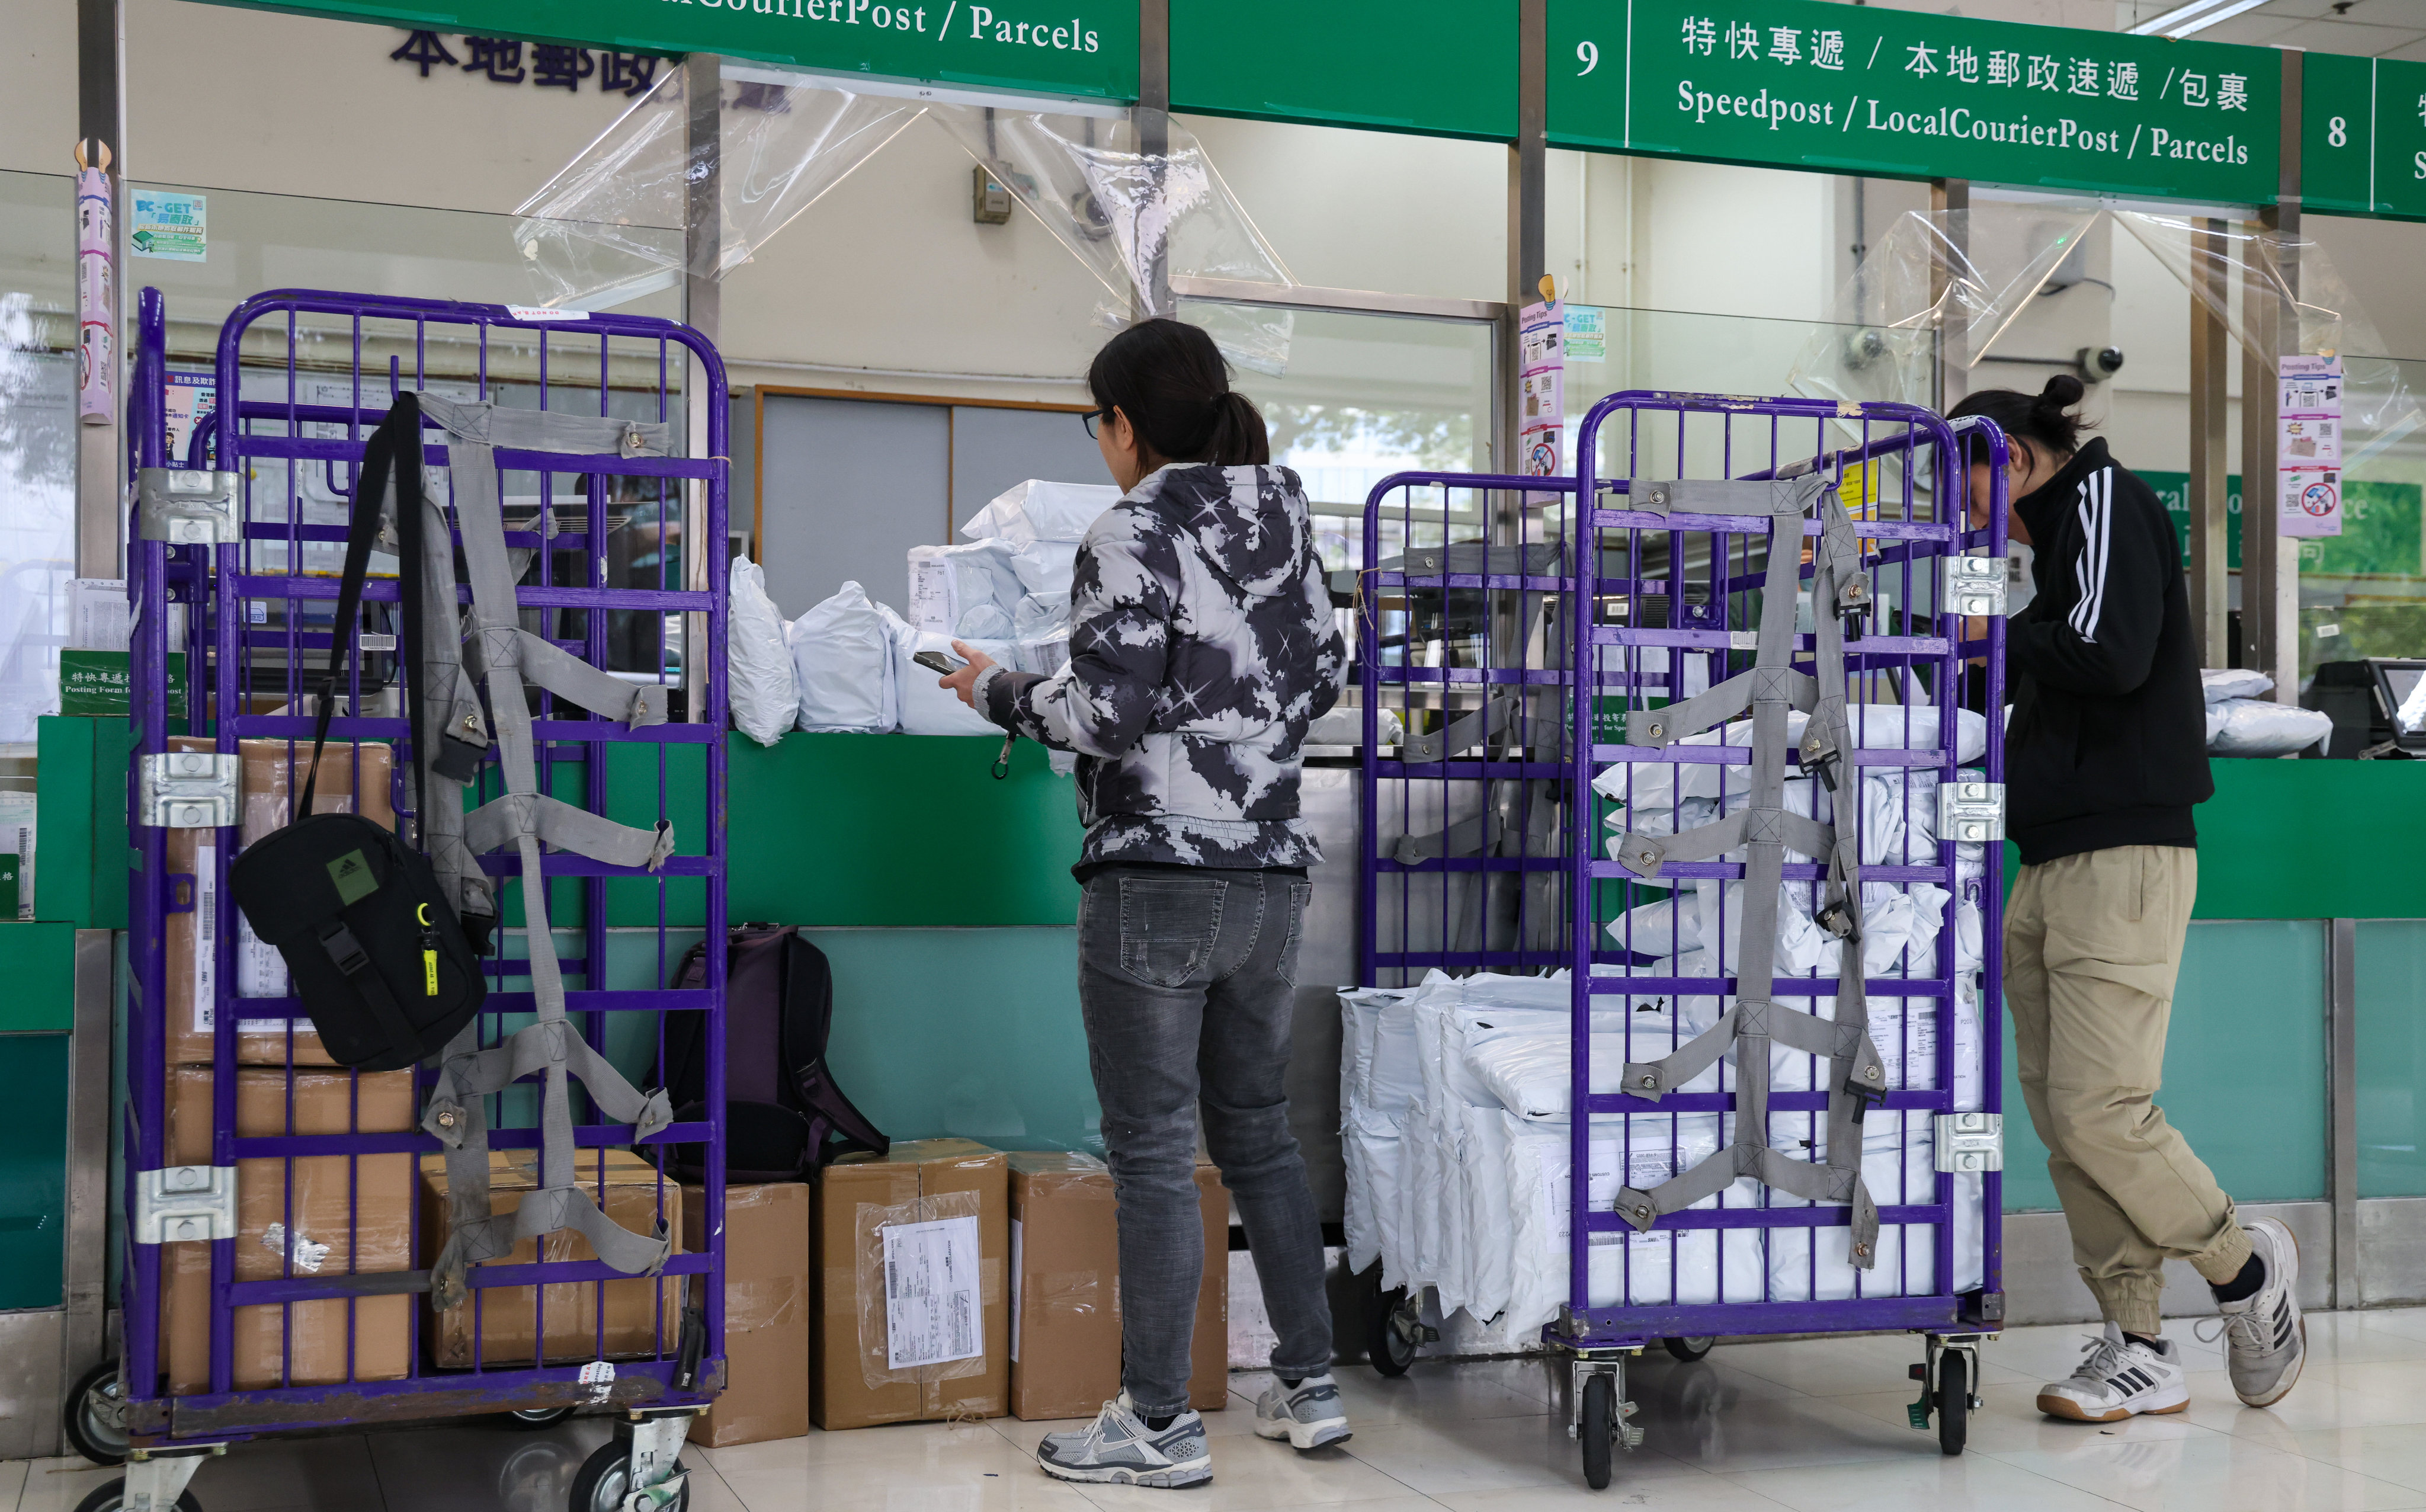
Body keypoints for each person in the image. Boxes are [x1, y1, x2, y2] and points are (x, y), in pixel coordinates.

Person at [938, 317, 1351, 1488]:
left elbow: (1104, 717)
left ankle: (1160, 1420)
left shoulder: (1132, 526)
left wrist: (997, 689)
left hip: (1156, 880)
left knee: (1154, 1149)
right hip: (1271, 872)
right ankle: (1310, 1387)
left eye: (1097, 422)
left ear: (1122, 427)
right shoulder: (1284, 517)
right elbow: (1323, 676)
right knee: (1258, 1127)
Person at [1952, 374, 2305, 1423]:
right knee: (2066, 1120)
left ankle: (2245, 1268)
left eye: (1960, 483)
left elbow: (2109, 657)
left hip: (2125, 853)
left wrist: (1995, 644)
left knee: (2106, 1109)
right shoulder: (2046, 545)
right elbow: (2035, 668)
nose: (1960, 509)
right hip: (2051, 854)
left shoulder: (2104, 504)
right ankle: (2138, 1344)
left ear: (2010, 456)